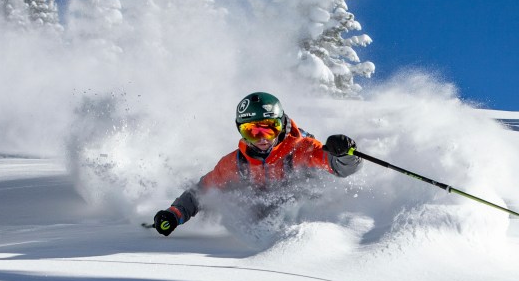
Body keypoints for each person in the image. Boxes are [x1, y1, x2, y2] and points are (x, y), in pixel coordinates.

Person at [146, 91, 362, 236]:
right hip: (260, 219)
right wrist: (174, 214)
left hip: (304, 225)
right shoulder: (235, 163)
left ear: (282, 126)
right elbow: (199, 192)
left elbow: (341, 168)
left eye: (269, 129)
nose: (262, 138)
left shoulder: (302, 149)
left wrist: (344, 153)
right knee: (221, 197)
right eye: (251, 131)